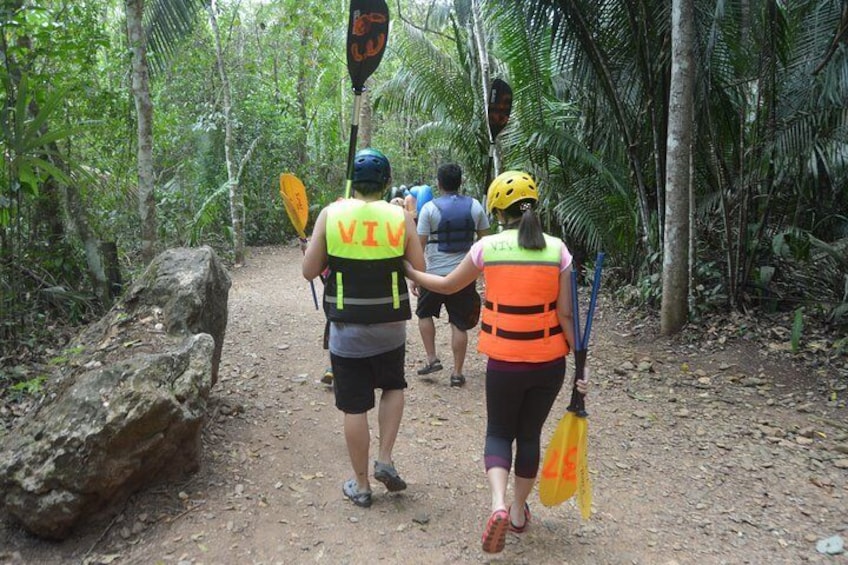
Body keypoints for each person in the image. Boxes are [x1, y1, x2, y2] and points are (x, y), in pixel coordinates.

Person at [404, 170, 588, 553]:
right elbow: (567, 316)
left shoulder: (487, 250)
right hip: (549, 361)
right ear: (534, 206)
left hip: (504, 359)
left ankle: (498, 504)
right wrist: (581, 363)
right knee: (530, 435)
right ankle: (520, 512)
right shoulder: (559, 250)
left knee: (499, 432)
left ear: (497, 211)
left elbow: (448, 284)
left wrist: (409, 270)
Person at [302, 148, 425, 508]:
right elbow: (419, 264)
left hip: (347, 328)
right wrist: (407, 226)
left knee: (354, 407)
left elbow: (310, 271)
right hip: (391, 326)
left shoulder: (330, 214)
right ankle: (384, 459)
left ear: (353, 183)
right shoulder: (400, 218)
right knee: (392, 386)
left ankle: (361, 485)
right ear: (386, 183)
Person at [412, 163, 489, 387]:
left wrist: (415, 276)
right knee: (459, 324)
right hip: (463, 276)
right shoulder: (475, 206)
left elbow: (420, 246)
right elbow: (485, 242)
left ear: (438, 183)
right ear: (461, 182)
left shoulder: (428, 209)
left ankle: (432, 358)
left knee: (424, 314)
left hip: (433, 276)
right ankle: (457, 373)